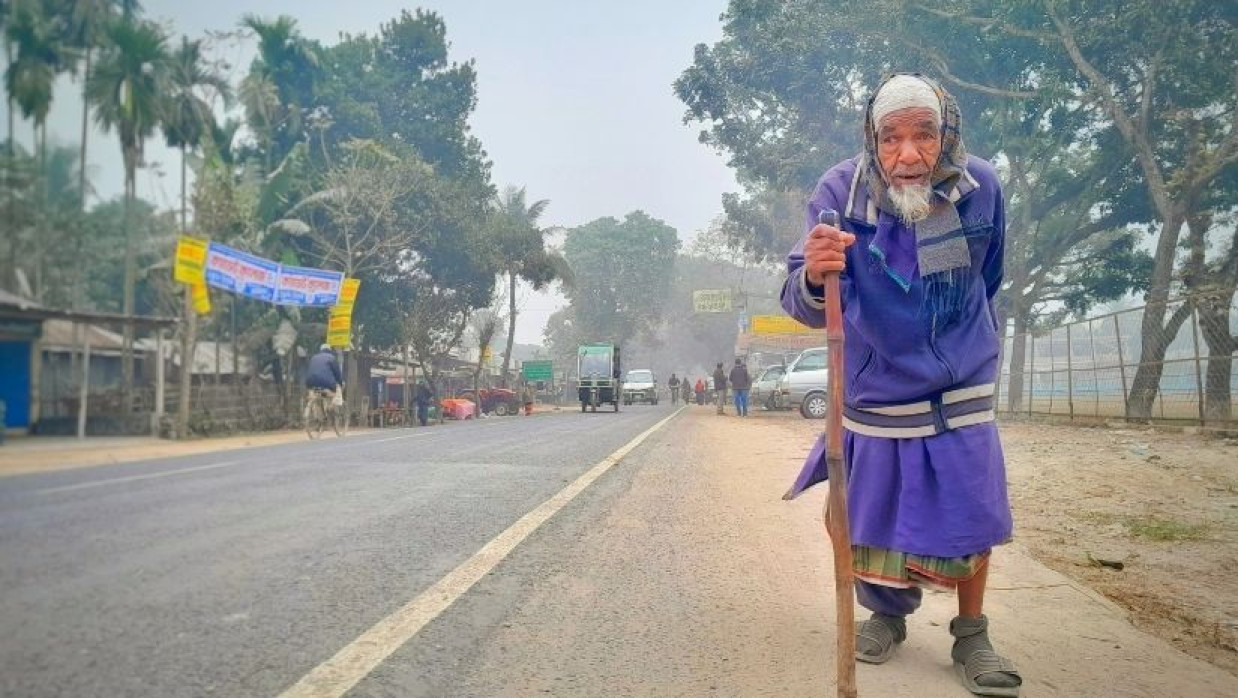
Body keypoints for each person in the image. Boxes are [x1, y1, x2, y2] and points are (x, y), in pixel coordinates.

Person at [781, 74, 1018, 696]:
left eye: (924, 135)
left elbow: (987, 277)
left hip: (960, 378)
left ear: (948, 136)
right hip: (876, 384)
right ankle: (887, 615)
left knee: (972, 508)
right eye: (891, 138)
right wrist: (815, 272)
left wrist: (958, 341)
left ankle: (972, 632)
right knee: (872, 517)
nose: (908, 155)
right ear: (872, 139)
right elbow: (801, 300)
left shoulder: (980, 187)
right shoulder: (838, 193)